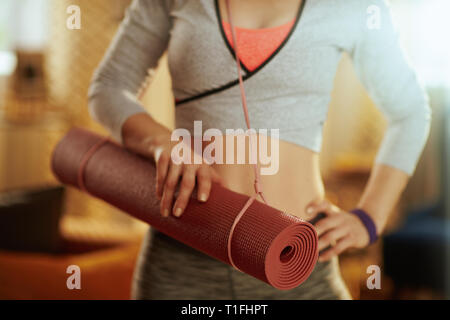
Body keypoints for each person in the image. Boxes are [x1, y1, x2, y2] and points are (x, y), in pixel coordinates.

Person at [88, 0, 431, 299]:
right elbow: (108, 87)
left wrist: (369, 216)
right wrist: (162, 143)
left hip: (297, 257)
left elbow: (410, 111)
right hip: (183, 257)